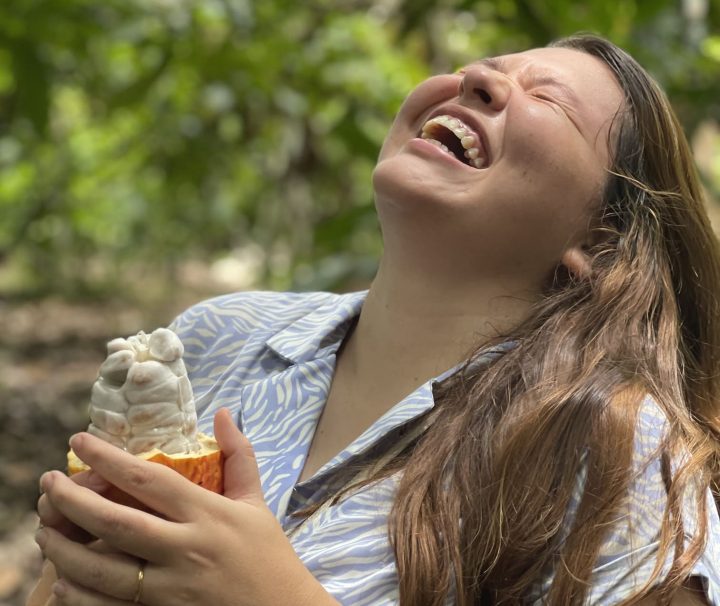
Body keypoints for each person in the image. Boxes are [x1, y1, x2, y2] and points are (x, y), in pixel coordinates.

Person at [28, 33, 720, 605]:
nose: (474, 77)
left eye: (546, 98)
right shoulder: (215, 337)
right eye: (487, 66)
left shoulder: (627, 460)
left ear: (599, 244)